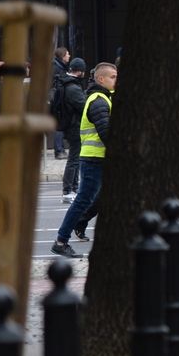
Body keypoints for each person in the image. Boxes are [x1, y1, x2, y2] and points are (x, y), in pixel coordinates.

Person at [52, 61, 116, 257]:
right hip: (94, 159)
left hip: (97, 158)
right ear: (101, 79)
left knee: (97, 198)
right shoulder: (98, 100)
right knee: (82, 200)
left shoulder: (104, 97)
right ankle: (61, 241)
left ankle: (79, 227)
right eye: (113, 77)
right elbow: (106, 132)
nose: (116, 80)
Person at [53, 58, 87, 203]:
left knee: (75, 158)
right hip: (75, 127)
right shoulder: (73, 87)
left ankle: (73, 188)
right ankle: (68, 190)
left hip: (70, 126)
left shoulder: (67, 83)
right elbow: (84, 106)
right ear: (80, 71)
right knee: (74, 159)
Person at [50, 46, 72, 158]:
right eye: (67, 54)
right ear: (63, 56)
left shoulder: (58, 66)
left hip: (58, 100)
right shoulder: (57, 67)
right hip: (57, 101)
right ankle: (59, 150)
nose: (69, 56)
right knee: (59, 125)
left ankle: (60, 149)